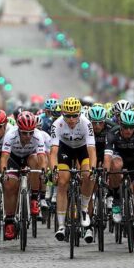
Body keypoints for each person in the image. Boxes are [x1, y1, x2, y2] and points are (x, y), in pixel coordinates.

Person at [48, 97, 97, 243]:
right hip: (65, 150)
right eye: (68, 115)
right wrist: (54, 170)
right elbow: (53, 152)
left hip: (82, 150)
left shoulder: (86, 123)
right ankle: (62, 225)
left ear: (79, 114)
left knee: (88, 175)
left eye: (74, 115)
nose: (71, 119)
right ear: (63, 114)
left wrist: (93, 169)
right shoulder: (57, 124)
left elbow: (92, 150)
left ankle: (83, 211)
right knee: (63, 182)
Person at [0, 111, 45, 240]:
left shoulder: (38, 135)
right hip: (14, 159)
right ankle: (9, 221)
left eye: (31, 132)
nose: (28, 136)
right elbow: (4, 158)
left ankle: (34, 197)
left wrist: (44, 171)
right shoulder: (10, 135)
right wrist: (4, 173)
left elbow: (42, 157)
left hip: (29, 157)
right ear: (19, 130)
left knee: (35, 161)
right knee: (10, 186)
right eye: (24, 133)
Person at [103, 109, 134, 234]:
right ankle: (116, 199)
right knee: (115, 166)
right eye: (125, 127)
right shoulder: (112, 133)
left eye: (131, 127)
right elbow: (107, 157)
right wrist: (106, 173)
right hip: (119, 157)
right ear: (120, 124)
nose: (128, 130)